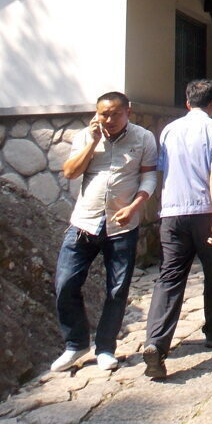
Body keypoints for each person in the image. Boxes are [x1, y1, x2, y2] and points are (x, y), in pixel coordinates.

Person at [51, 91, 157, 373]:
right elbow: (70, 172)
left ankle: (106, 348)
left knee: (117, 288)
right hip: (84, 222)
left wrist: (136, 205)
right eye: (103, 114)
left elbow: (149, 174)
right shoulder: (86, 136)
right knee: (65, 283)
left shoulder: (144, 138)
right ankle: (75, 344)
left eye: (114, 114)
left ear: (128, 112)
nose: (108, 119)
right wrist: (94, 142)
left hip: (122, 225)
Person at [142, 79, 212, 380]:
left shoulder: (168, 130)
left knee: (169, 277)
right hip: (204, 210)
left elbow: (162, 171)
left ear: (187, 102)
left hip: (172, 212)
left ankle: (156, 341)